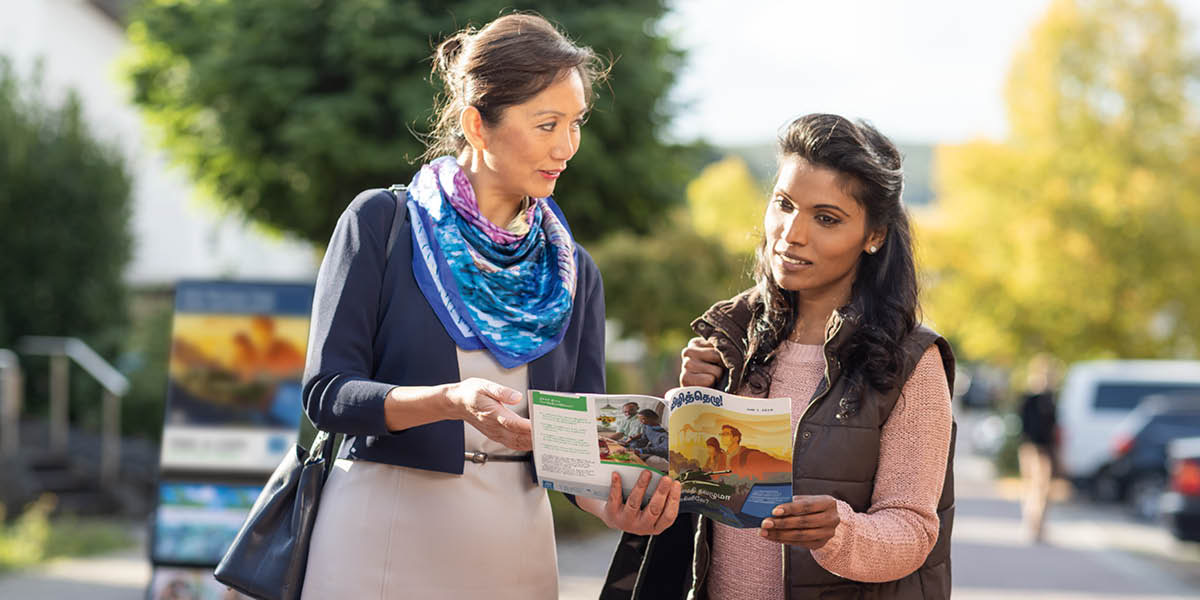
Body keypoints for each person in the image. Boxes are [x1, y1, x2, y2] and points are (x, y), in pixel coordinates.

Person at [299, 14, 679, 600]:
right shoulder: (383, 224)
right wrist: (451, 402)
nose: (566, 146)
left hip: (515, 546)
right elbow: (328, 395)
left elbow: (577, 446)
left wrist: (614, 508)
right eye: (547, 123)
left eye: (574, 124)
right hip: (382, 531)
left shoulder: (572, 271)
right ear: (478, 124)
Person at [601, 114, 956, 600]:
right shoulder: (728, 338)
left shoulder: (911, 361)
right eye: (784, 204)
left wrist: (840, 531)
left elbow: (914, 530)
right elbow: (698, 501)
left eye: (826, 218)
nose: (791, 233)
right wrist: (690, 411)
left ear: (873, 236)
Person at [1018, 353, 1058, 542]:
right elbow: (1025, 425)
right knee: (1034, 487)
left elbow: (1054, 427)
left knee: (1043, 488)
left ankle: (1038, 524)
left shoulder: (1050, 399)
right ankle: (1033, 524)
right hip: (1032, 448)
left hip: (1046, 448)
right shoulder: (1030, 399)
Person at [717, 424, 788, 480]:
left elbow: (780, 465)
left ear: (736, 438)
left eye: (726, 434)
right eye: (721, 434)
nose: (722, 437)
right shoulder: (722, 457)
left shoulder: (749, 455)